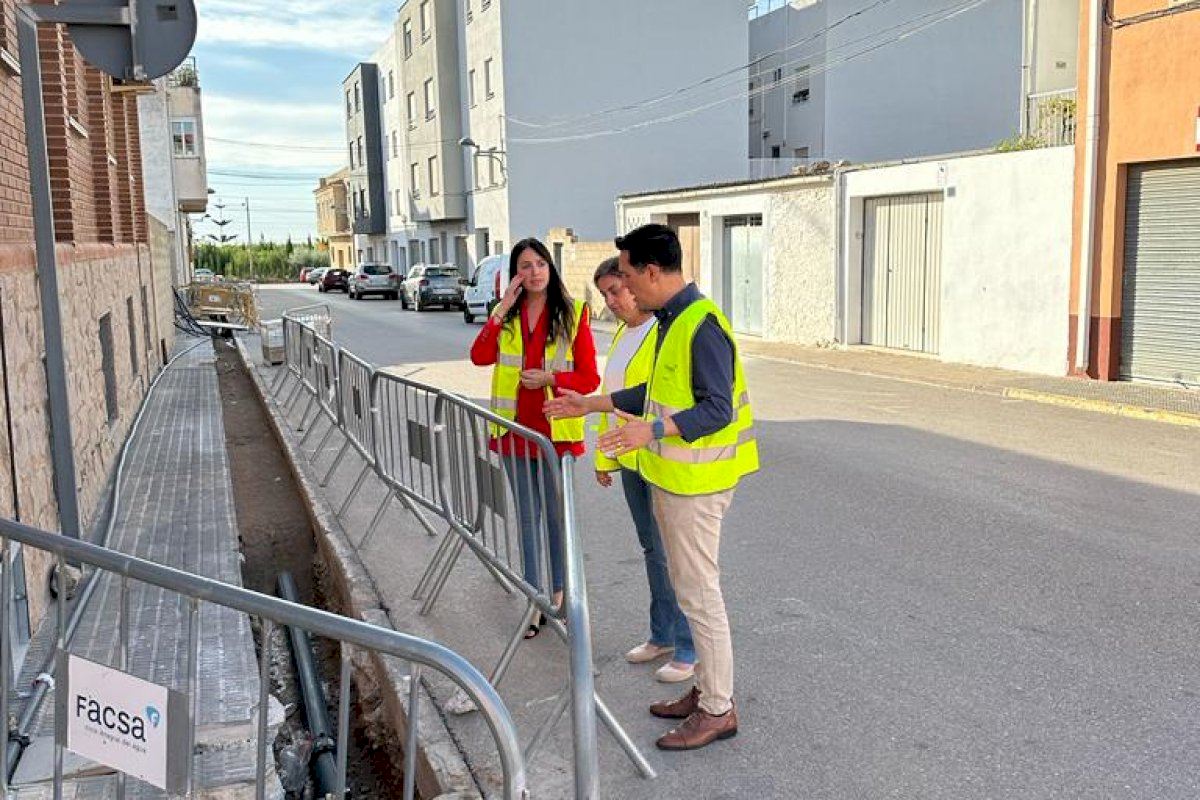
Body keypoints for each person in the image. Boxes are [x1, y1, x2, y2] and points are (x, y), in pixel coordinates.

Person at [545, 224, 758, 751]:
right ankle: (708, 689)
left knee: (700, 596)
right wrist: (591, 403)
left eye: (627, 275)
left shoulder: (700, 324)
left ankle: (717, 708)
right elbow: (654, 390)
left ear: (653, 271)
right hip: (677, 479)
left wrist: (654, 430)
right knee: (692, 592)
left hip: (697, 483)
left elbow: (716, 408)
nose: (625, 289)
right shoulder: (672, 321)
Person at [470, 238, 599, 638]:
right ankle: (534, 598)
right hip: (514, 431)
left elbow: (590, 378)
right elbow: (479, 356)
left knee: (557, 520)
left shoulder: (574, 314)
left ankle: (560, 595)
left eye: (540, 263)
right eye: (525, 266)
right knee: (527, 519)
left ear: (550, 267)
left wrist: (551, 378)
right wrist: (501, 309)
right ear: (515, 274)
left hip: (555, 434)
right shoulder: (507, 316)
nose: (534, 272)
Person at [592, 257, 696, 684]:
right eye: (604, 295)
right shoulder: (624, 333)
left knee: (674, 555)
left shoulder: (660, 331)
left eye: (616, 289)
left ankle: (689, 646)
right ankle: (662, 634)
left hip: (660, 457)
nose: (612, 301)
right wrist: (605, 457)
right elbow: (611, 397)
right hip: (632, 458)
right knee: (653, 550)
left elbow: (644, 397)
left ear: (636, 283)